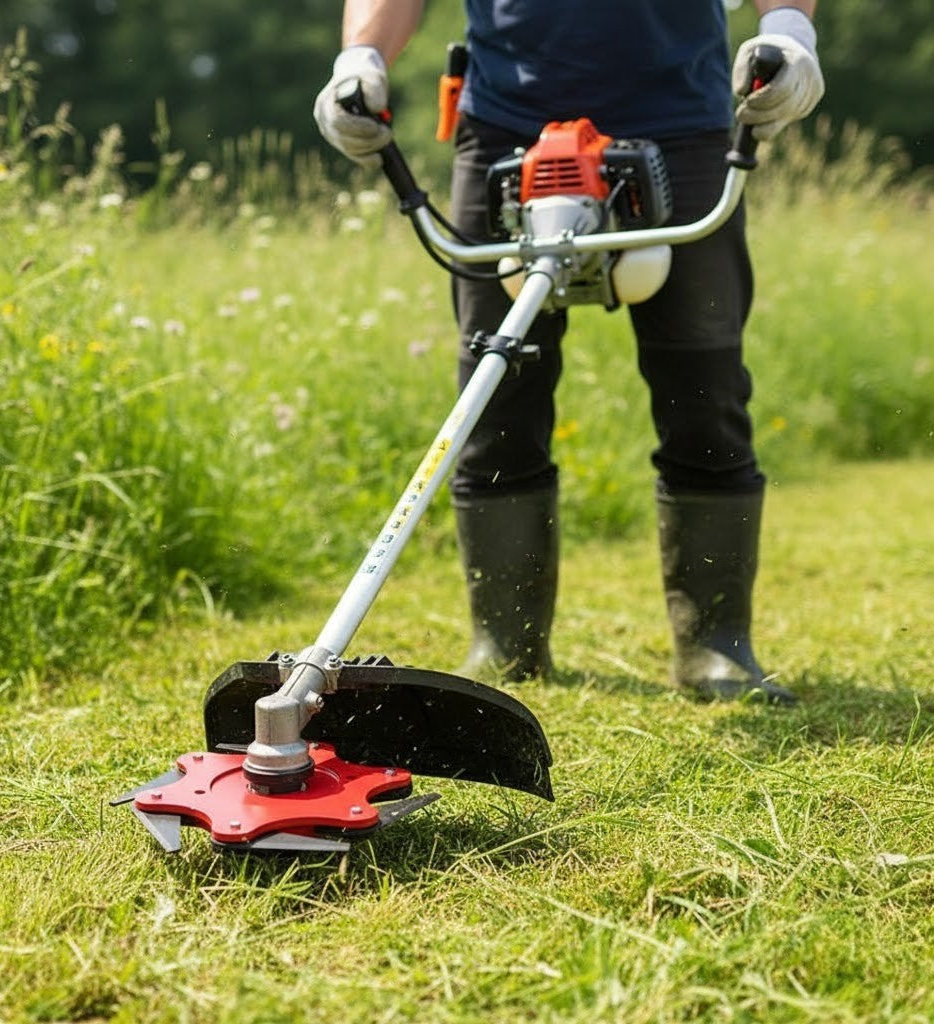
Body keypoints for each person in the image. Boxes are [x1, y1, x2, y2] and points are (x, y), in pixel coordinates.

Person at [314, 1, 824, 704]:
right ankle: (506, 648)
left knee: (704, 390)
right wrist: (360, 57)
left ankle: (716, 646)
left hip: (683, 126)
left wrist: (789, 29)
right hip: (506, 128)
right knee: (494, 401)